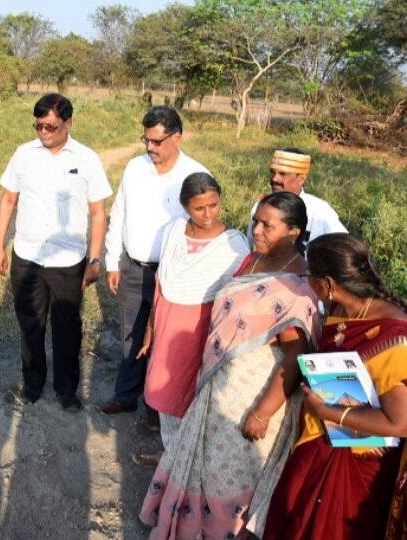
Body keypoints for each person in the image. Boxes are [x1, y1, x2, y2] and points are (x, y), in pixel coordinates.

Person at [139, 192, 321, 539]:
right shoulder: (253, 261)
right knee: (204, 469)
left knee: (231, 479)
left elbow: (295, 359)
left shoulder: (298, 284)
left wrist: (262, 414)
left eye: (268, 225)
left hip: (253, 401)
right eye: (256, 221)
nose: (257, 230)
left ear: (294, 231)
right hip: (220, 388)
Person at [263, 233, 407, 540]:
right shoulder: (345, 312)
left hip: (359, 464)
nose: (307, 282)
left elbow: (400, 422)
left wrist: (327, 410)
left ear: (328, 283)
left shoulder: (395, 337)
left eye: (309, 276)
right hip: (320, 441)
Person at [0, 93, 112, 413]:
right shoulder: (23, 154)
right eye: (39, 126)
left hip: (68, 261)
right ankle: (32, 385)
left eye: (52, 126)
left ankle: (66, 390)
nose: (44, 132)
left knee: (67, 328)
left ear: (68, 123)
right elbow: (8, 201)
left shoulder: (86, 159)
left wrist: (95, 258)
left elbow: (98, 213)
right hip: (27, 256)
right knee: (30, 325)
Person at [132, 173, 249, 466]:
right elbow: (162, 284)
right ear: (185, 207)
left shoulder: (233, 245)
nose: (208, 214)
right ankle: (172, 455)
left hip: (203, 334)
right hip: (168, 327)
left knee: (195, 397)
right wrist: (150, 329)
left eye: (214, 205)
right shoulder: (174, 232)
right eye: (200, 208)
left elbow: (238, 300)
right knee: (165, 393)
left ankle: (189, 462)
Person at [100, 106, 209, 420]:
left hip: (175, 276)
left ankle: (156, 407)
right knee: (131, 334)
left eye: (157, 141)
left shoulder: (196, 175)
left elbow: (205, 226)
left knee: (164, 342)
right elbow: (118, 212)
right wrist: (112, 260)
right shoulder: (135, 168)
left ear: (178, 137)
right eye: (146, 140)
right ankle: (125, 396)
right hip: (133, 269)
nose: (150, 147)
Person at [248, 147, 347, 253]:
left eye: (282, 174)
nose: (274, 179)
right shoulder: (261, 207)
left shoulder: (321, 211)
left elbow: (345, 248)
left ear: (301, 179)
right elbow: (250, 247)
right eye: (273, 172)